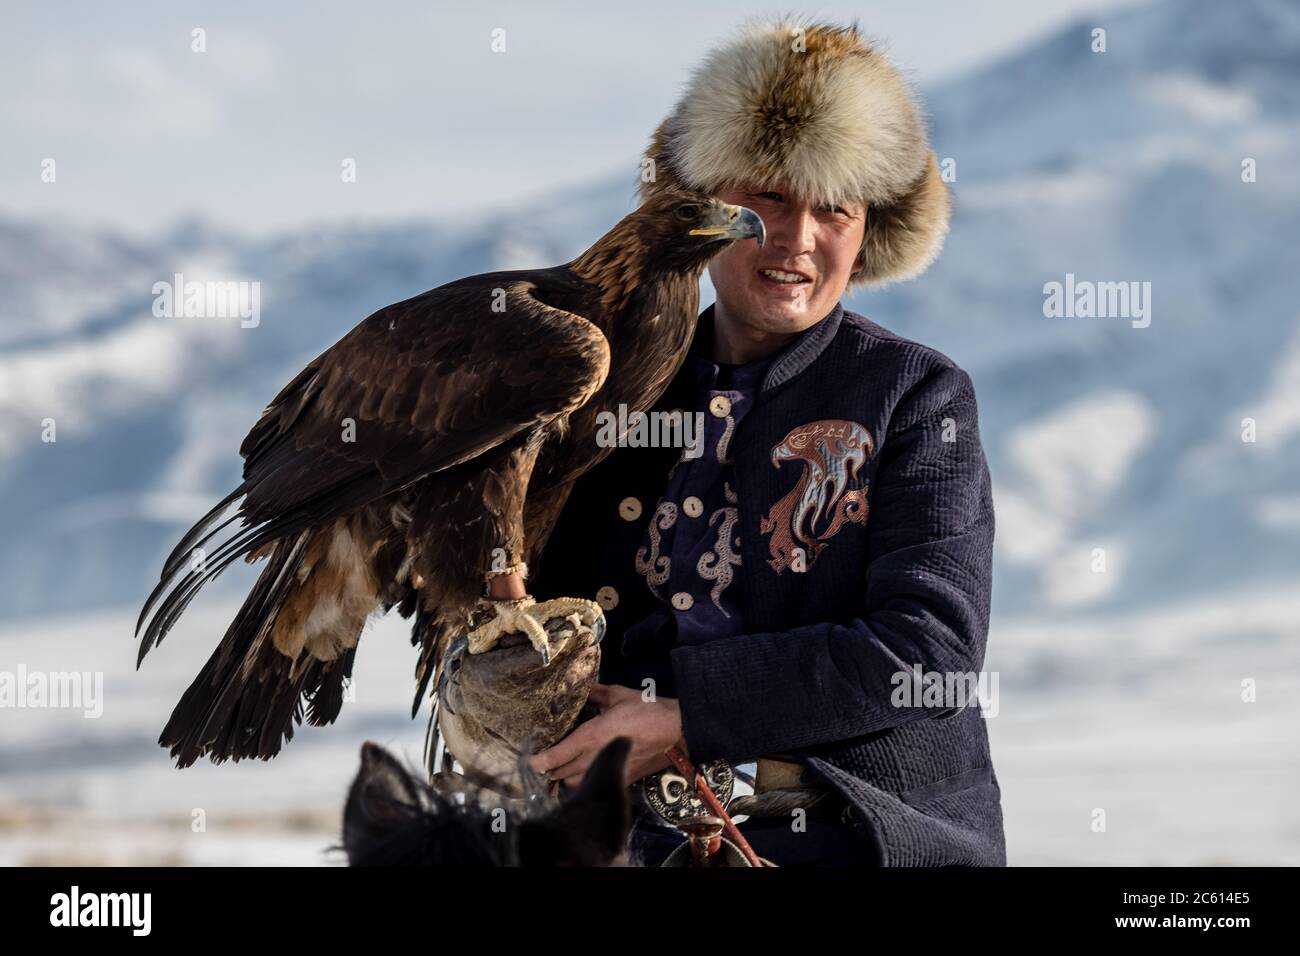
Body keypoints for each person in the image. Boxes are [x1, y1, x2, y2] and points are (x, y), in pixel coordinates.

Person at [528, 17, 1006, 866]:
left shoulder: (913, 395)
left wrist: (685, 717)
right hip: (624, 826)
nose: (796, 239)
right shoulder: (610, 384)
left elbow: (928, 647)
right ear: (704, 207)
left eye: (835, 209)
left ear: (868, 235)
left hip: (858, 824)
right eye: (770, 197)